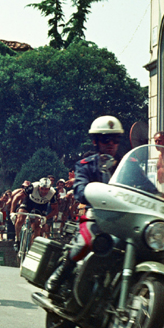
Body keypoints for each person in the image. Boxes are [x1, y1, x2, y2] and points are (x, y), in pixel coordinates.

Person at [46, 115, 124, 294]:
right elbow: (80, 188)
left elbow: (143, 185)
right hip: (96, 216)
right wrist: (84, 191)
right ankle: (61, 273)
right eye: (106, 139)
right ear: (96, 141)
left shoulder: (126, 164)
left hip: (122, 220)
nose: (111, 143)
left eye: (115, 139)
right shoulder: (86, 165)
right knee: (86, 243)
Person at [11, 178, 57, 248]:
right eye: (42, 189)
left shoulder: (52, 193)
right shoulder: (33, 187)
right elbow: (16, 197)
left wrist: (46, 218)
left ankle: (33, 245)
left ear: (49, 188)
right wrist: (12, 212)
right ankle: (17, 238)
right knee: (20, 218)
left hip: (41, 205)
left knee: (37, 226)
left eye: (46, 189)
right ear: (39, 187)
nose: (44, 191)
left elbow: (55, 210)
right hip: (29, 201)